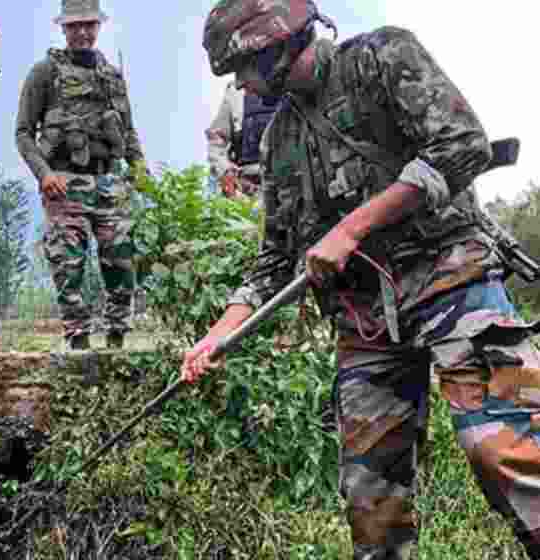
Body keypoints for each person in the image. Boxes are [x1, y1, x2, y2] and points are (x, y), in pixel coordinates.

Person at [184, 1, 540, 557]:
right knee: (371, 502)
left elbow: (463, 144)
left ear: (273, 50)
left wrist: (352, 227)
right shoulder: (278, 141)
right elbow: (274, 261)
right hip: (366, 321)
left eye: (243, 71)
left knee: (507, 453)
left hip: (454, 282)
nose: (243, 89)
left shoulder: (382, 57)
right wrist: (217, 334)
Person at [15, 0, 147, 351]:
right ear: (63, 28)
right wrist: (43, 174)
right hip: (64, 182)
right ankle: (78, 344)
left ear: (98, 26)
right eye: (75, 26)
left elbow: (129, 130)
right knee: (68, 264)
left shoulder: (112, 75)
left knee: (121, 261)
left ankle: (117, 341)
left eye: (89, 25)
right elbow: (23, 133)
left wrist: (140, 170)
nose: (83, 33)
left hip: (108, 181)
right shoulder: (44, 72)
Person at [205, 81, 279, 200]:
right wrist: (225, 171)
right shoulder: (236, 92)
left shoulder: (293, 82)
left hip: (291, 187)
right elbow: (216, 141)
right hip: (248, 190)